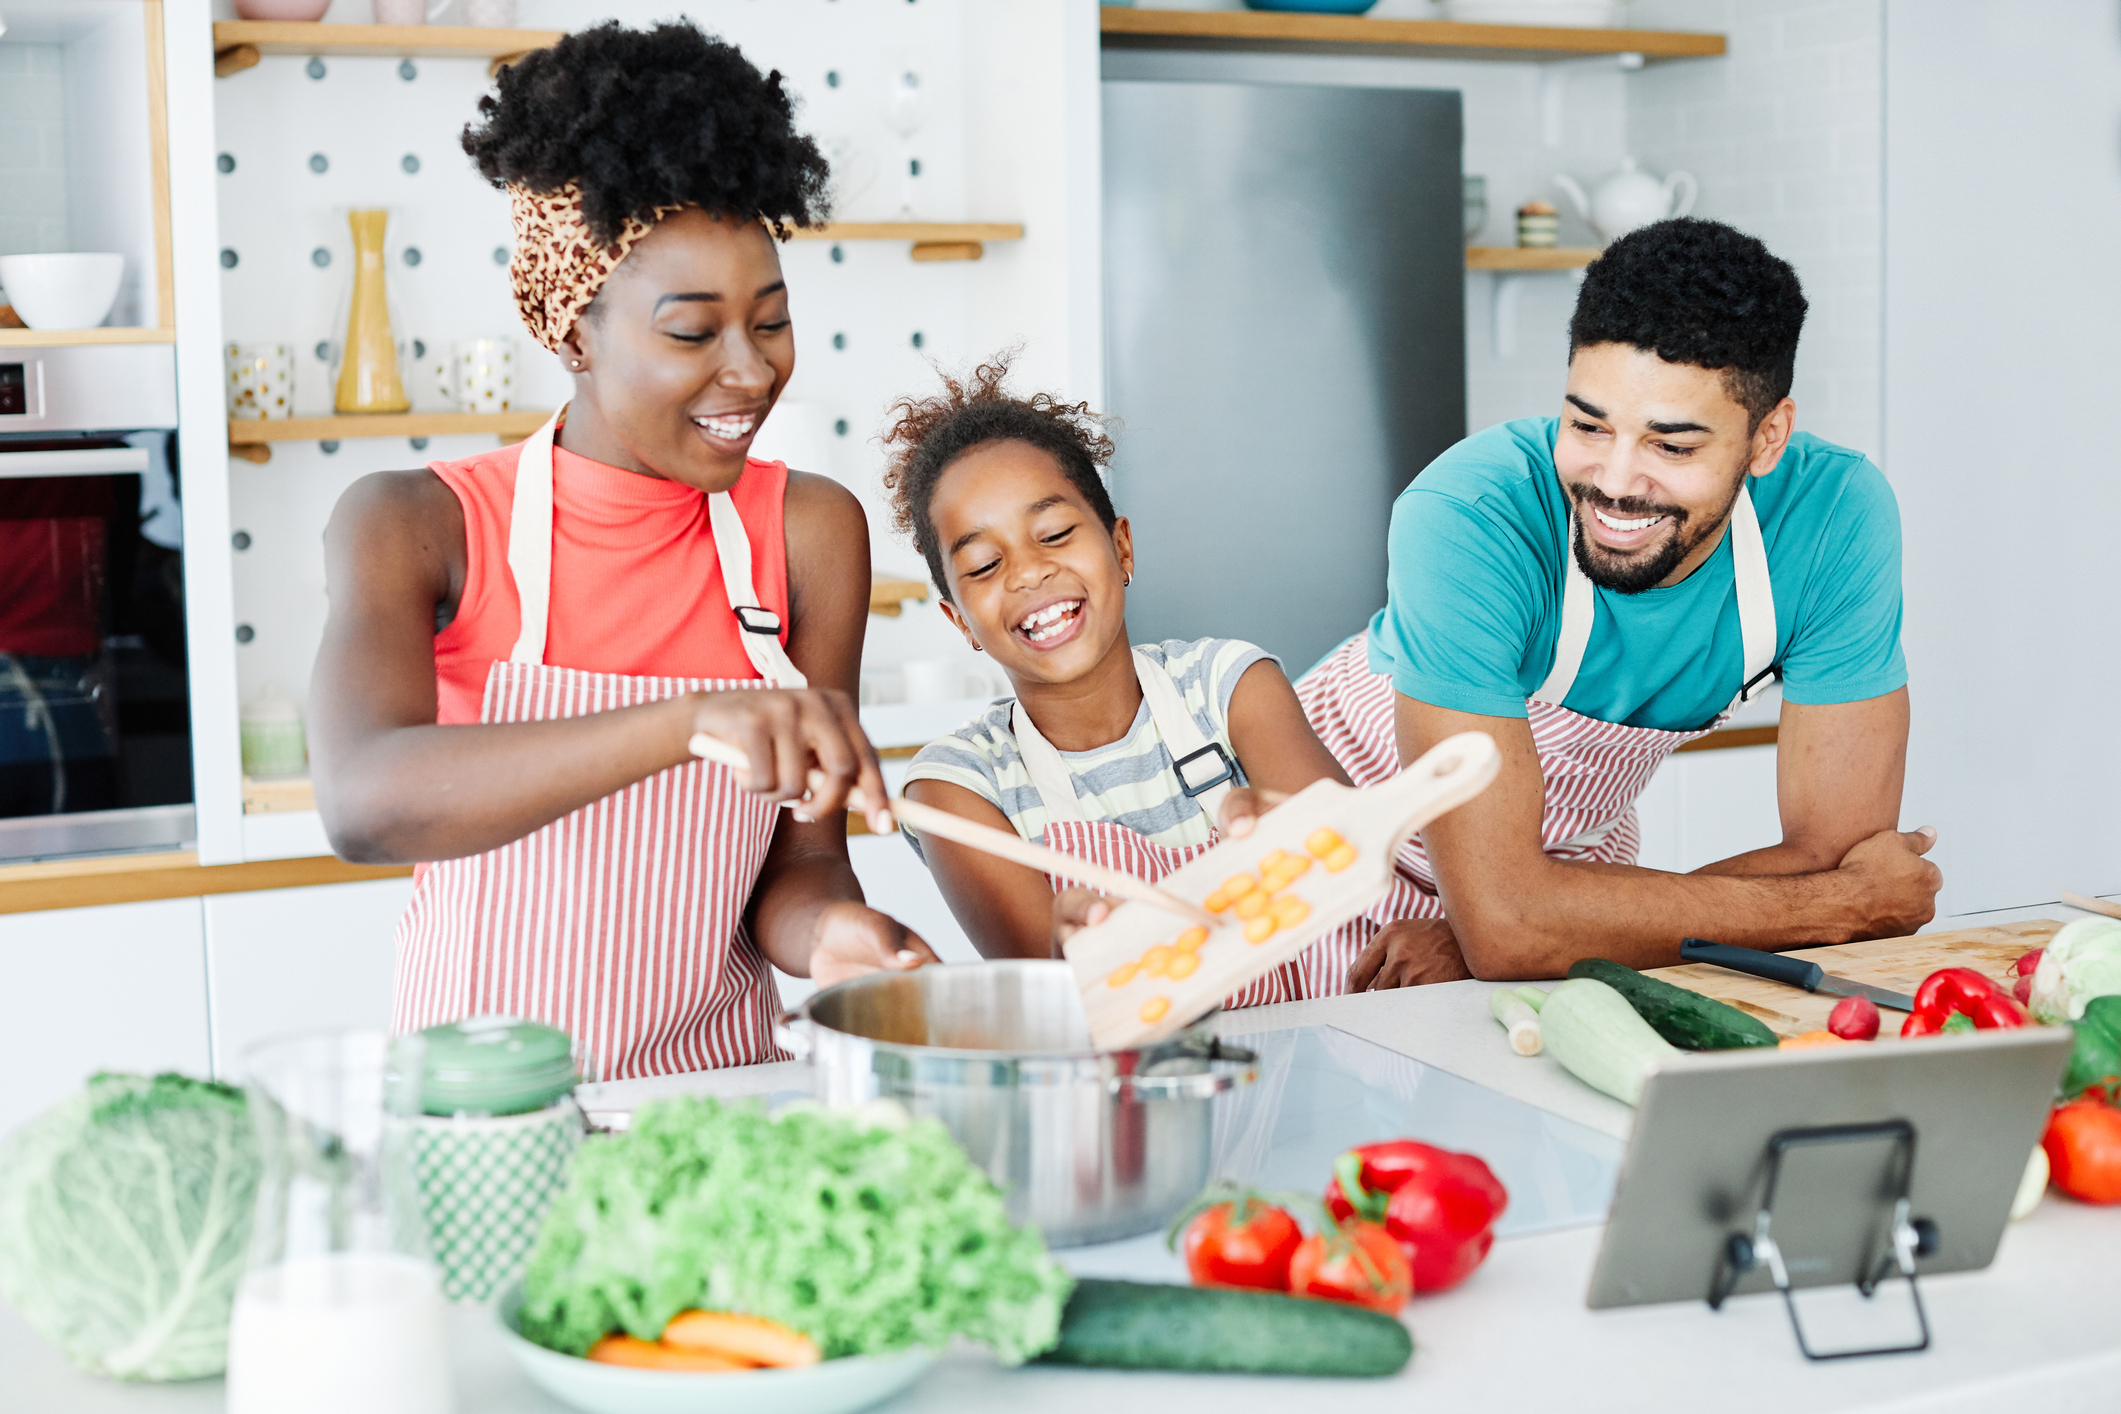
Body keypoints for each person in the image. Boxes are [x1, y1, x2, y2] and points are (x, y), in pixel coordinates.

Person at [307, 21, 933, 1082]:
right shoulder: (416, 523)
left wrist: (834, 939)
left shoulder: (808, 533)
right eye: (692, 333)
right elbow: (366, 801)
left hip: (723, 1103)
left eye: (771, 322)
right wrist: (694, 722)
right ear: (575, 333)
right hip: (496, 1120)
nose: (748, 372)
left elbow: (803, 860)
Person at [1293, 217, 1942, 983]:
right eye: (1586, 424)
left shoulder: (1833, 517)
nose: (1614, 481)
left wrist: (1541, 927)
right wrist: (1507, 925)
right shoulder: (1470, 513)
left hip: (1569, 873)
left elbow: (1832, 857)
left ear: (1767, 440)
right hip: (1313, 865)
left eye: (1672, 446)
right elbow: (1847, 894)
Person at [888, 357, 1445, 1000]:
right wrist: (1070, 952)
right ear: (959, 622)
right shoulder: (955, 788)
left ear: (1121, 547)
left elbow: (1351, 863)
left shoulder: (1228, 686)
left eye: (1056, 533)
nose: (1027, 573)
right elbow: (1052, 998)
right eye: (985, 565)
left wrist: (1294, 833)